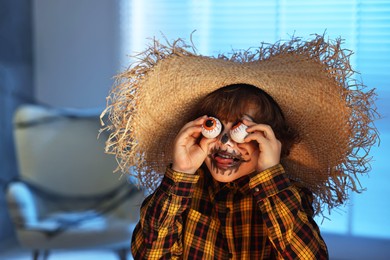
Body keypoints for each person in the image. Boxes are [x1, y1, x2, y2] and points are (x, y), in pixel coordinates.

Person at [101, 34, 378, 259]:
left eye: (243, 130)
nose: (225, 143)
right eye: (216, 126)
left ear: (270, 141)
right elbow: (148, 254)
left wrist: (270, 175)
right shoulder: (182, 195)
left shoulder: (287, 197)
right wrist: (181, 173)